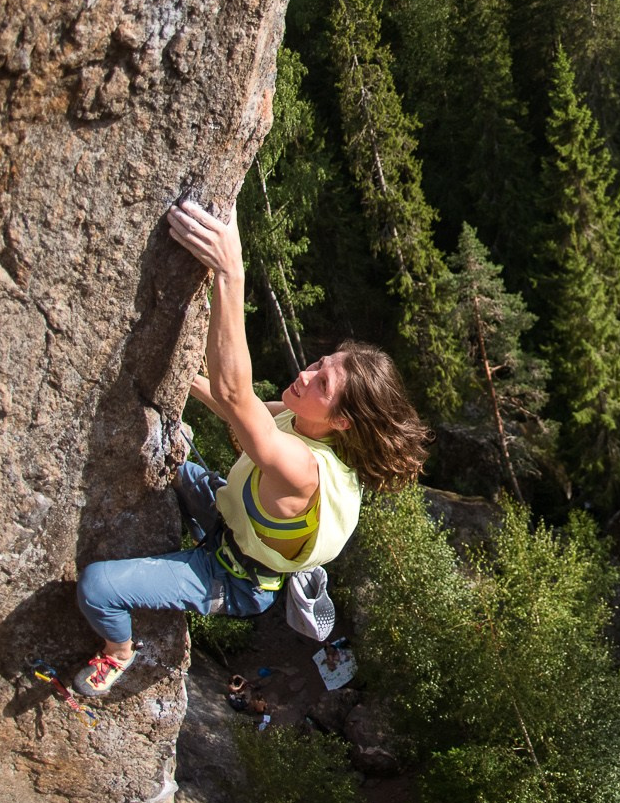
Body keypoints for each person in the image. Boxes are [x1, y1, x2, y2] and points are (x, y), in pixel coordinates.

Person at [73, 199, 428, 696]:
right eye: (319, 363)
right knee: (171, 446)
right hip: (230, 513)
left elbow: (236, 395)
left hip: (232, 575)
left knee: (98, 587)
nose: (304, 374)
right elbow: (233, 404)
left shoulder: (303, 471)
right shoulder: (301, 417)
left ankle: (118, 652)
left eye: (322, 383)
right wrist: (166, 372)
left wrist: (229, 271)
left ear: (342, 421)